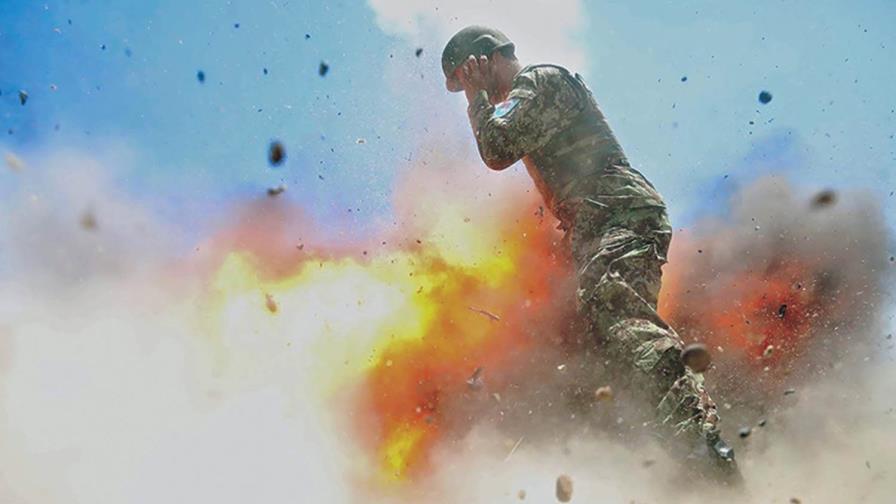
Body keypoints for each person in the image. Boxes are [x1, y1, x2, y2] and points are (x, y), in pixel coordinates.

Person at [442, 25, 739, 477]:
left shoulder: (539, 82)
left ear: (485, 61)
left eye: (466, 78)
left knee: (617, 312)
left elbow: (497, 149)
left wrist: (477, 100)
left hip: (617, 213)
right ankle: (667, 455)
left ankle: (699, 439)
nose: (467, 90)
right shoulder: (532, 96)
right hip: (599, 221)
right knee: (592, 348)